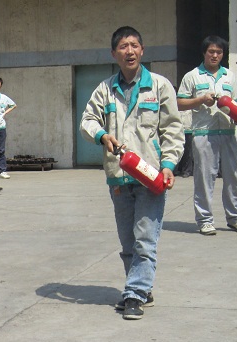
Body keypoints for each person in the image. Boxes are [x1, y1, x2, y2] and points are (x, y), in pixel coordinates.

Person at [80, 26, 184, 320]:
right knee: (128, 243)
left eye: (135, 45)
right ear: (114, 53)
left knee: (145, 240)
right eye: (123, 46)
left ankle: (135, 293)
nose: (130, 51)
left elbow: (173, 129)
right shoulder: (105, 89)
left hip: (150, 175)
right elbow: (87, 120)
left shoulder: (160, 86)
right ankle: (141, 288)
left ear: (142, 50)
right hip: (118, 176)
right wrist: (102, 135)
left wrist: (168, 165)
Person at [177, 35, 237, 235]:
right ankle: (205, 220)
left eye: (219, 52)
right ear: (204, 53)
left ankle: (235, 218)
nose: (215, 55)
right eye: (211, 51)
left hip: (227, 133)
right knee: (204, 178)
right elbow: (180, 102)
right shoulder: (192, 76)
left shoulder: (229, 76)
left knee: (233, 176)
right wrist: (201, 99)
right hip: (203, 133)